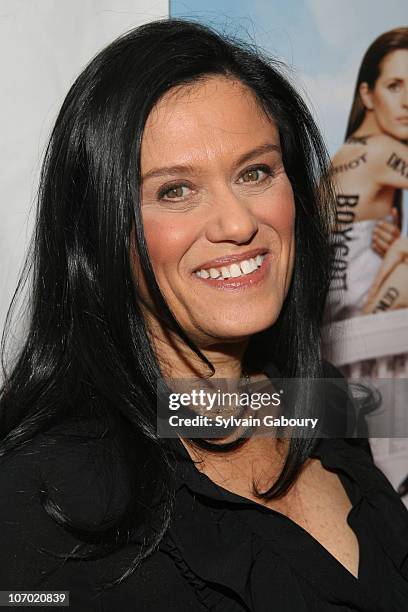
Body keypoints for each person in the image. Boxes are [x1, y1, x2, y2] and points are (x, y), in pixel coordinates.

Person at [1, 19, 408, 612]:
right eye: (175, 191)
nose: (238, 223)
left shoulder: (318, 395)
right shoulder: (37, 497)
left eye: (255, 172)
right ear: (98, 231)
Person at [325, 28, 408, 322]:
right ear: (368, 95)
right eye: (395, 86)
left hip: (336, 323)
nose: (407, 101)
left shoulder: (347, 153)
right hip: (362, 319)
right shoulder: (380, 151)